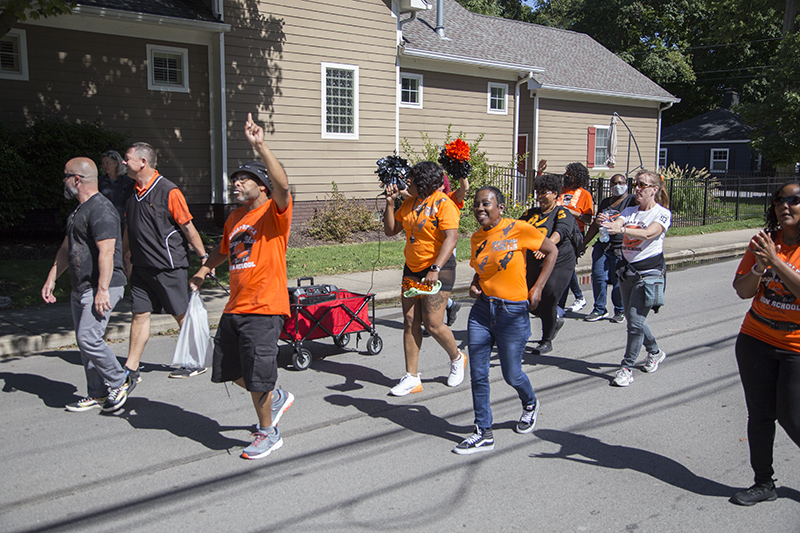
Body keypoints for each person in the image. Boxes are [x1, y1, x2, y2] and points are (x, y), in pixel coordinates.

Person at [190, 113, 294, 460]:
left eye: (244, 179)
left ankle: (269, 432)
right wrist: (203, 272)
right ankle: (276, 398)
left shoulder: (273, 213)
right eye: (234, 179)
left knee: (258, 375)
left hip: (265, 308)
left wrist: (260, 145)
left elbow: (283, 187)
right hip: (235, 306)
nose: (235, 184)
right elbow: (224, 252)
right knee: (230, 371)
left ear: (261, 186)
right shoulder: (234, 219)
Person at [453, 186, 557, 454]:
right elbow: (481, 273)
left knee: (512, 374)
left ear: (500, 206)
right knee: (478, 373)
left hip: (512, 312)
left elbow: (551, 251)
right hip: (482, 311)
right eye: (477, 205)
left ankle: (530, 403)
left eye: (486, 204)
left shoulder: (519, 229)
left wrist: (537, 288)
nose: (480, 209)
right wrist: (475, 285)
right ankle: (483, 431)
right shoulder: (476, 238)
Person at [42, 157, 133, 412]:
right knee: (85, 344)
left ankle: (119, 379)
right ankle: (98, 393)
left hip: (102, 285)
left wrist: (102, 290)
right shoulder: (77, 211)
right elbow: (67, 247)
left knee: (88, 337)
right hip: (81, 286)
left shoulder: (101, 209)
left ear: (77, 179)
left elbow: (107, 252)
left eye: (65, 175)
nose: (64, 180)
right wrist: (52, 277)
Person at [730, 181, 800, 505]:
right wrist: (760, 265)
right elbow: (743, 290)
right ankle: (763, 483)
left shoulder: (777, 249)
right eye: (779, 201)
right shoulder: (762, 243)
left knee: (792, 416)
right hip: (755, 338)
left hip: (795, 348)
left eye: (794, 200)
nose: (786, 206)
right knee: (759, 414)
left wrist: (777, 261)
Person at [122, 142, 209, 381]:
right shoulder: (131, 192)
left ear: (143, 162)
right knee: (139, 313)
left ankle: (195, 361)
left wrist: (204, 257)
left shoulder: (169, 191)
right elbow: (130, 227)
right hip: (141, 267)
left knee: (181, 314)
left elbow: (187, 226)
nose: (123, 162)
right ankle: (131, 366)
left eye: (127, 158)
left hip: (168, 265)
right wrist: (124, 255)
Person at [383, 161, 466, 396]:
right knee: (410, 321)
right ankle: (411, 377)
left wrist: (435, 268)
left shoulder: (443, 204)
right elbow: (391, 230)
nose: (406, 184)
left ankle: (457, 357)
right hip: (412, 269)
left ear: (424, 183)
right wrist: (390, 205)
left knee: (433, 324)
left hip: (438, 269)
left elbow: (451, 238)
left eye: (411, 181)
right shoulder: (409, 203)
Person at [602, 169, 670, 387]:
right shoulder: (630, 211)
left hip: (649, 274)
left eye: (642, 185)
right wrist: (608, 222)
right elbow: (616, 220)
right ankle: (655, 352)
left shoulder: (661, 213)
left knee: (633, 321)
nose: (637, 189)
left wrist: (621, 229)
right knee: (635, 320)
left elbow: (650, 233)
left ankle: (626, 367)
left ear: (654, 189)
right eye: (636, 185)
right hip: (627, 272)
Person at [519, 173, 577, 355]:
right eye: (538, 192)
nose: (540, 196)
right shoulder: (531, 214)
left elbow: (561, 231)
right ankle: (553, 320)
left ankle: (546, 340)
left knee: (549, 295)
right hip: (534, 260)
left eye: (544, 192)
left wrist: (546, 246)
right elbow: (515, 229)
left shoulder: (561, 212)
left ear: (554, 194)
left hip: (559, 261)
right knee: (530, 298)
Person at [583, 173, 636, 322]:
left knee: (618, 280)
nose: (617, 186)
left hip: (621, 246)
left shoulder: (631, 201)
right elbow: (595, 225)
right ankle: (599, 309)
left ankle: (620, 310)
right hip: (603, 245)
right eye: (614, 183)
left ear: (626, 184)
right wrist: (583, 244)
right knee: (599, 277)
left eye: (621, 182)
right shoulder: (605, 202)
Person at [559, 162, 594, 313]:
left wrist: (570, 212)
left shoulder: (585, 194)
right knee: (562, 266)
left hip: (576, 233)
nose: (567, 177)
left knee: (567, 266)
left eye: (570, 175)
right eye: (566, 173)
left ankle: (577, 298)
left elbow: (588, 219)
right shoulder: (561, 191)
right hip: (559, 232)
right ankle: (577, 297)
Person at [98, 150, 134, 229]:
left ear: (116, 163)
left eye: (107, 163)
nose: (105, 166)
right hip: (104, 220)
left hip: (122, 221)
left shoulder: (126, 181)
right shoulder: (100, 181)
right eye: (103, 163)